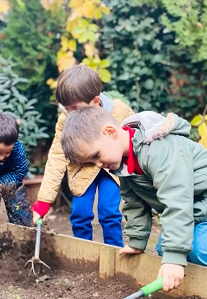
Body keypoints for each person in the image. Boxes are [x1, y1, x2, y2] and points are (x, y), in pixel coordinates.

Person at [60, 106, 207, 292]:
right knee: (164, 249)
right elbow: (135, 203)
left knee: (192, 250)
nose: (98, 165)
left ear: (111, 133)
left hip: (197, 205)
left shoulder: (159, 149)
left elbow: (177, 200)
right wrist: (137, 241)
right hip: (196, 212)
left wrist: (176, 257)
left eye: (96, 156)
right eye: (91, 162)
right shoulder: (124, 165)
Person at [32, 64, 134, 247]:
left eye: (74, 108)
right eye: (66, 108)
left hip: (112, 170)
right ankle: (83, 253)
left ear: (95, 101)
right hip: (82, 170)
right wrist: (44, 200)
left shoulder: (119, 110)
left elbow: (134, 139)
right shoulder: (65, 120)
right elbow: (57, 156)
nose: (69, 114)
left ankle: (114, 254)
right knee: (80, 214)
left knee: (109, 212)